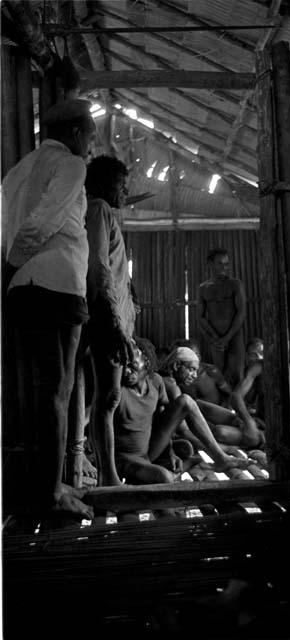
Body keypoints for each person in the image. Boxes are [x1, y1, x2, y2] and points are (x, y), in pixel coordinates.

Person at [2, 98, 96, 518]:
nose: (91, 145)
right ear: (76, 134)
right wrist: (12, 264)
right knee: (58, 394)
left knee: (44, 394)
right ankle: (51, 495)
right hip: (56, 286)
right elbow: (41, 223)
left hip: (25, 289)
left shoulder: (18, 169)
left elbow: (6, 225)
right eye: (90, 135)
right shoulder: (72, 166)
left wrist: (11, 271)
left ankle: (46, 485)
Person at [84, 155, 136, 486]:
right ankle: (109, 476)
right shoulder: (99, 208)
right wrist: (115, 325)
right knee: (108, 397)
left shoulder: (102, 211)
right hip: (106, 317)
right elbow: (99, 268)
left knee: (103, 397)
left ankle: (101, 469)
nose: (126, 191)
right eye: (122, 184)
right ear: (105, 184)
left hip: (112, 315)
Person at [114, 338, 195, 484]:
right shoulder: (117, 391)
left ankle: (218, 456)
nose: (126, 371)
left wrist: (169, 452)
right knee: (164, 477)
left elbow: (160, 421)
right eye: (123, 365)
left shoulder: (156, 381)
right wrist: (83, 456)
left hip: (147, 452)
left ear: (146, 361)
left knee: (185, 447)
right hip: (124, 460)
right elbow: (88, 417)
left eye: (132, 365)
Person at [159, 347, 251, 470]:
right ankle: (220, 457)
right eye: (191, 370)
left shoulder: (169, 381)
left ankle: (239, 422)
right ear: (176, 365)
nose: (194, 375)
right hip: (158, 442)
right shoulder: (170, 385)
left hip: (166, 436)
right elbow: (185, 432)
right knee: (188, 402)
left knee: (196, 404)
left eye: (196, 371)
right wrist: (227, 449)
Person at [197, 248, 246, 387]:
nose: (224, 267)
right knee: (220, 375)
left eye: (226, 264)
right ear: (210, 264)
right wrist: (213, 338)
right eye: (220, 263)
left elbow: (241, 312)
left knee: (237, 374)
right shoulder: (204, 288)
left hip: (234, 337)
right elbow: (201, 317)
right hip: (216, 339)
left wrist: (228, 337)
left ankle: (237, 406)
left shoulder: (235, 284)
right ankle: (226, 407)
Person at [169, 338, 233, 406]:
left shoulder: (211, 371)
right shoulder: (174, 378)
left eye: (197, 354)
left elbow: (229, 394)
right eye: (190, 355)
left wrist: (224, 410)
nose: (196, 357)